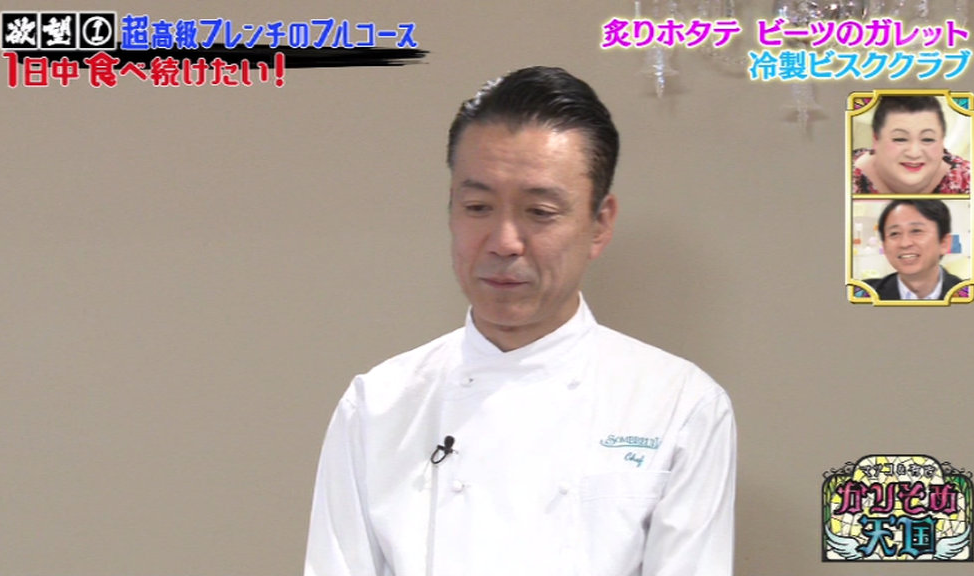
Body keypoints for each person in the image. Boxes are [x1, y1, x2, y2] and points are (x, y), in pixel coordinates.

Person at [304, 66, 736, 576]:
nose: (504, 242)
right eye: (477, 206)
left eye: (540, 211)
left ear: (600, 224)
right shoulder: (378, 406)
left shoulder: (679, 405)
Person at [852, 95, 970, 194]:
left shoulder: (964, 178)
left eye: (927, 139)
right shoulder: (850, 175)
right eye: (900, 139)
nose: (914, 153)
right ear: (876, 139)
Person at [866, 199, 964, 300]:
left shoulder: (968, 295)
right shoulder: (865, 295)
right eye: (894, 233)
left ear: (944, 243)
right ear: (884, 246)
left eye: (916, 231)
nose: (905, 243)